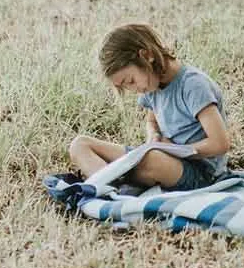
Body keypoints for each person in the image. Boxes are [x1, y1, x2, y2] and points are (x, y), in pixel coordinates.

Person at [69, 23, 230, 191]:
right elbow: (152, 122)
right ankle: (112, 187)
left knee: (151, 161)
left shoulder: (193, 85)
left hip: (201, 172)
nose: (133, 89)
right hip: (160, 157)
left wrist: (175, 149)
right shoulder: (153, 86)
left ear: (146, 56)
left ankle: (111, 183)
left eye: (131, 81)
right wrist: (153, 135)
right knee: (80, 145)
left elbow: (220, 143)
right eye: (126, 86)